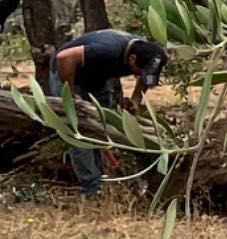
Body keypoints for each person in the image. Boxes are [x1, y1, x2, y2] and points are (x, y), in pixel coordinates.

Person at [46, 29, 168, 194]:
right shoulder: (107, 50)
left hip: (97, 78)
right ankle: (92, 189)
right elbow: (64, 57)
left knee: (103, 126)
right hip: (67, 73)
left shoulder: (145, 51)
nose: (139, 75)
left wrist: (135, 101)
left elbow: (145, 77)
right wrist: (71, 94)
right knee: (79, 131)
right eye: (140, 71)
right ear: (132, 59)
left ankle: (104, 174)